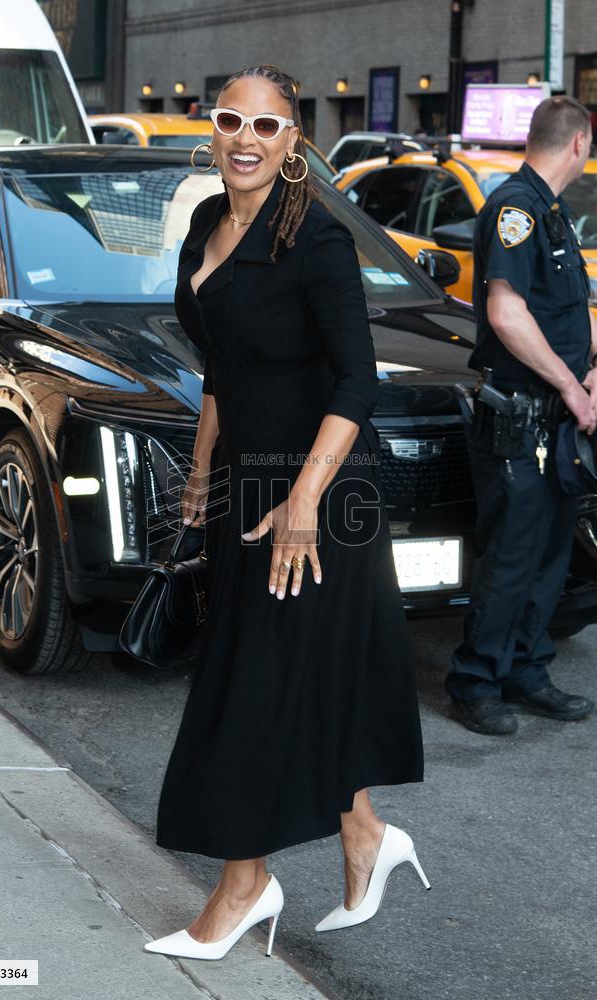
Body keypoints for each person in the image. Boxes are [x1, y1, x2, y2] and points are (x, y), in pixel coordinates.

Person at [144, 65, 427, 961]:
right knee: (301, 680)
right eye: (231, 119)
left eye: (266, 127)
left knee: (254, 689)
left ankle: (242, 887)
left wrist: (303, 501)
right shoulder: (203, 224)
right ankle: (367, 839)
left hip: (314, 497)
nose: (246, 139)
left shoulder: (319, 243)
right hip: (243, 490)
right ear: (212, 126)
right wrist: (200, 473)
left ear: (294, 141)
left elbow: (358, 381)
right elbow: (222, 363)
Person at [446, 96, 597, 735]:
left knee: (550, 554)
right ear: (580, 144)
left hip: (559, 420)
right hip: (522, 420)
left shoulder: (554, 213)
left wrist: (590, 373)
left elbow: (568, 312)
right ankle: (475, 682)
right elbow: (508, 316)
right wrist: (573, 387)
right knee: (510, 555)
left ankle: (527, 670)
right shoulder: (515, 209)